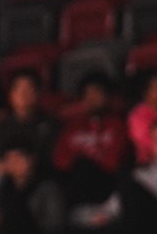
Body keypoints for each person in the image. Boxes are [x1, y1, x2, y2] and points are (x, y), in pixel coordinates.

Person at [54, 74, 131, 207]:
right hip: (75, 181)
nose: (92, 98)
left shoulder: (117, 125)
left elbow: (114, 161)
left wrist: (89, 164)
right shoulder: (73, 127)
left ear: (107, 97)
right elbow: (59, 159)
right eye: (88, 94)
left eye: (97, 93)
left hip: (105, 181)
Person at [0, 141, 65, 234]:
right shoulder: (4, 188)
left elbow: (55, 224)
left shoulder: (46, 187)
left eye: (18, 158)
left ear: (31, 159)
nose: (14, 164)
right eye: (10, 159)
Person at [0, 70, 58, 168]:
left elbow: (53, 159)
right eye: (18, 89)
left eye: (29, 89)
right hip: (4, 177)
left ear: (37, 94)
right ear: (11, 94)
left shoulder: (50, 125)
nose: (23, 94)